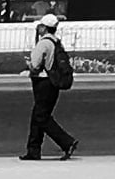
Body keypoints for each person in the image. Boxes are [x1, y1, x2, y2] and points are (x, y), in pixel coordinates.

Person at [19, 14, 78, 161]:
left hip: (43, 83)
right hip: (53, 83)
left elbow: (35, 65)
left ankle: (67, 142)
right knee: (38, 116)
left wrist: (29, 65)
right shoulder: (57, 42)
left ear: (44, 28)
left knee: (41, 117)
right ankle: (33, 150)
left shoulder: (43, 43)